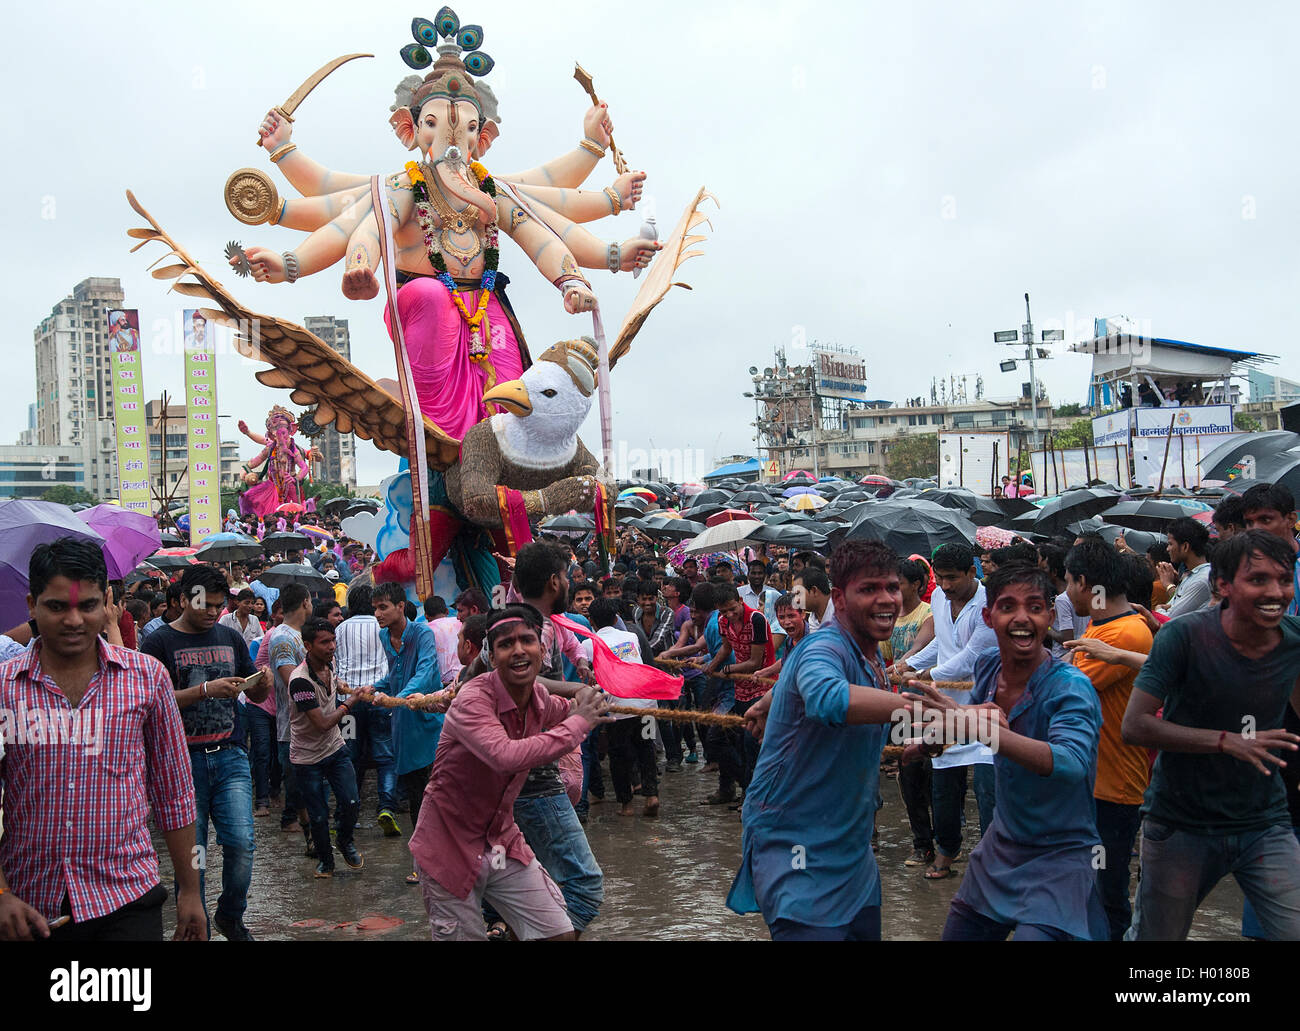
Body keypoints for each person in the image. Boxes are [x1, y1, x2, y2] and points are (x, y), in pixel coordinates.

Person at [0, 539, 204, 942]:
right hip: (28, 906)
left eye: (87, 605)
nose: (73, 620)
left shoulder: (147, 679)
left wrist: (190, 891)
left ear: (108, 602)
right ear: (31, 605)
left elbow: (174, 793)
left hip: (127, 899)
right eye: (57, 607)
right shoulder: (5, 688)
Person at [908, 565, 1108, 941]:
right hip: (1001, 847)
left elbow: (1071, 763)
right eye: (1008, 606)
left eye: (1034, 607)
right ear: (988, 616)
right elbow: (981, 722)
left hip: (1060, 856)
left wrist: (978, 729)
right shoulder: (988, 666)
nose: (1022, 618)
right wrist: (932, 742)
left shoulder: (1071, 687)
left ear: (1050, 616)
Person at [1121, 530, 1300, 940]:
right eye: (1258, 580)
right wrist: (1226, 741)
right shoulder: (1183, 637)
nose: (1276, 592)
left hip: (1264, 821)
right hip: (1181, 821)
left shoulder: (1293, 640)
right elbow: (1136, 726)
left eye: (1284, 580)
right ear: (1222, 585)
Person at [726, 540, 902, 940]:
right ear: (838, 598)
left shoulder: (870, 655)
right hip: (796, 841)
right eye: (869, 589)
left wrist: (924, 740)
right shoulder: (826, 645)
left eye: (891, 587)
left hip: (850, 844)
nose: (886, 599)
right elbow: (827, 697)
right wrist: (917, 710)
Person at [408, 606, 614, 940]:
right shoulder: (472, 699)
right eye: (506, 644)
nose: (518, 650)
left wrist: (589, 700)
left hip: (501, 845)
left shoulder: (539, 697)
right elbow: (504, 756)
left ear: (542, 650)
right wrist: (580, 722)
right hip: (449, 847)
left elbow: (568, 713)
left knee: (557, 932)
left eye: (527, 641)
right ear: (492, 656)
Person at [140, 563, 268, 941]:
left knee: (241, 843)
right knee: (193, 856)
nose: (212, 611)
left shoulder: (230, 638)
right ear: (182, 600)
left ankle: (231, 914)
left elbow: (253, 689)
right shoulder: (158, 643)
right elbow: (151, 701)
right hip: (182, 763)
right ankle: (197, 927)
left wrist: (256, 687)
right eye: (204, 604)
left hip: (230, 755)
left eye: (218, 605)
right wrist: (205, 690)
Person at [1062, 537, 1153, 940]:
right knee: (1085, 889)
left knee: (1106, 894)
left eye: (1066, 581)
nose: (1065, 592)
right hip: (1092, 781)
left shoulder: (1124, 636)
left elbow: (1062, 691)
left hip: (1113, 786)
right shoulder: (1104, 630)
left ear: (1084, 582)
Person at [890, 543, 997, 880]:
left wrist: (926, 675)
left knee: (986, 788)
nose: (946, 586)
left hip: (983, 707)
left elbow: (973, 655)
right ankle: (946, 851)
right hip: (942, 708)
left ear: (971, 573)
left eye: (953, 579)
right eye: (942, 579)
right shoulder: (940, 599)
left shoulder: (989, 604)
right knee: (944, 784)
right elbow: (942, 642)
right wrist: (909, 662)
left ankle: (994, 860)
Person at [370, 581, 445, 880]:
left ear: (401, 606)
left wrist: (400, 697)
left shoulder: (422, 632)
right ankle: (423, 862)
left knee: (434, 792)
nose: (378, 613)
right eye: (375, 608)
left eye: (383, 607)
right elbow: (394, 675)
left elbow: (426, 671)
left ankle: (436, 859)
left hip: (427, 718)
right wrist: (375, 689)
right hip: (403, 722)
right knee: (416, 795)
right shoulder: (384, 636)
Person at [289, 618, 368, 878]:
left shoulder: (329, 665)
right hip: (306, 756)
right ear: (308, 645)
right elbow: (322, 723)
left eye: (333, 641)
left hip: (334, 747)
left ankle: (345, 841)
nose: (332, 646)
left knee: (352, 800)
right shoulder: (299, 681)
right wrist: (351, 702)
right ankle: (326, 861)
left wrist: (351, 691)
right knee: (319, 815)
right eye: (325, 642)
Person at [695, 584, 774, 806]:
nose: (729, 615)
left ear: (740, 600)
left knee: (751, 743)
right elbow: (726, 649)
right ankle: (746, 791)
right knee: (733, 741)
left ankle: (753, 797)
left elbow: (755, 662)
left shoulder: (756, 619)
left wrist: (727, 670)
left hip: (763, 687)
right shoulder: (722, 622)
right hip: (740, 688)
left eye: (732, 609)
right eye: (724, 611)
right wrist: (712, 666)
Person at [335, 584, 401, 837]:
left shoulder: (340, 629)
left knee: (349, 757)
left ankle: (348, 811)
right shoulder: (382, 627)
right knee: (385, 756)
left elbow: (335, 663)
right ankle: (386, 808)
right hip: (378, 700)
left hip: (349, 703)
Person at [884, 558, 936, 868]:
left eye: (898, 584)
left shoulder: (927, 615)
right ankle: (922, 843)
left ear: (916, 585)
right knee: (909, 776)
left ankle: (944, 837)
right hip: (900, 707)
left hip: (930, 707)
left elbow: (918, 648)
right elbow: (886, 656)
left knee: (932, 774)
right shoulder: (893, 617)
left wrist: (900, 666)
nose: (894, 590)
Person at [589, 597, 660, 817]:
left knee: (619, 756)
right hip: (645, 705)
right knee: (646, 748)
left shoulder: (589, 642)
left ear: (591, 621)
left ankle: (626, 806)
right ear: (616, 617)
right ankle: (651, 796)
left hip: (617, 709)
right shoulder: (631, 636)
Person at [264, 583, 312, 845]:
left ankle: (313, 832)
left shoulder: (299, 633)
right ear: (305, 602)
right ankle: (306, 831)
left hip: (310, 723)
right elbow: (291, 680)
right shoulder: (282, 637)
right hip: (292, 725)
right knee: (297, 784)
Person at [1240, 482, 1300, 615]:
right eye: (1249, 522)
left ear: (1290, 520)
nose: (1255, 529)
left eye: (1265, 520)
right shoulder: (1240, 564)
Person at [1155, 517, 1212, 618]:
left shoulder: (1201, 580)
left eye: (1170, 544)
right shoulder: (1189, 574)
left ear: (1185, 546)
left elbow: (1169, 619)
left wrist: (1159, 608)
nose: (1167, 549)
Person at [739, 559, 784, 653]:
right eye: (753, 573)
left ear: (765, 575)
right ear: (748, 575)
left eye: (760, 573)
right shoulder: (738, 593)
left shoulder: (774, 594)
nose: (757, 576)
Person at [425, 596, 466, 687]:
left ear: (426, 616)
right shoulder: (461, 623)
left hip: (442, 684)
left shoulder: (425, 630)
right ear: (447, 611)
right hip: (465, 676)